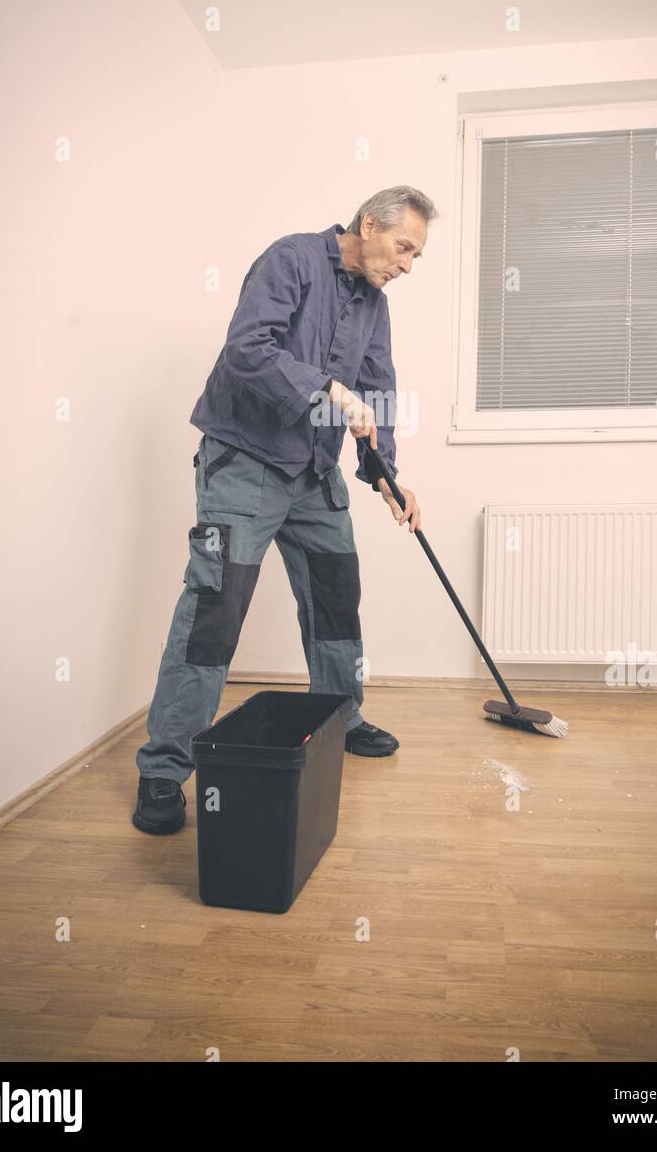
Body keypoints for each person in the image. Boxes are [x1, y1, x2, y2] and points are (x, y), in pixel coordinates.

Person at [132, 185, 437, 834]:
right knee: (215, 605)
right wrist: (326, 388)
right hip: (244, 462)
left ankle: (342, 718)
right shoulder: (291, 261)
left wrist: (387, 477)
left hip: (313, 472)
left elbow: (377, 392)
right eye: (403, 247)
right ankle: (163, 769)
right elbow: (247, 352)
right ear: (368, 225)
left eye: (417, 255)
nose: (408, 264)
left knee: (336, 596)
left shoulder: (375, 307)